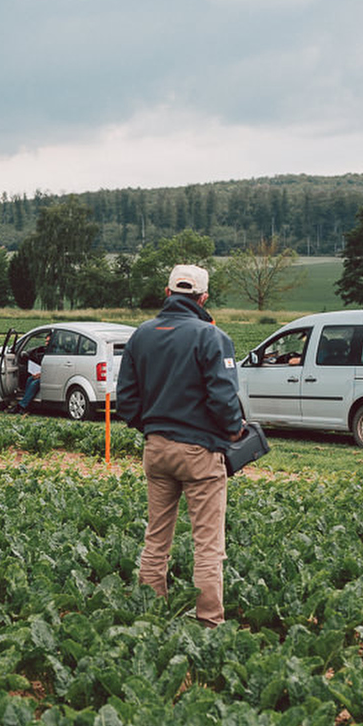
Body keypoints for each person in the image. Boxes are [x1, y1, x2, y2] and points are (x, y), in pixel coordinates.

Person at [114, 263, 247, 628]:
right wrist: (233, 431)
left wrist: (151, 427)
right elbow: (223, 399)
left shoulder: (141, 335)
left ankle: (151, 616)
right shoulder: (211, 337)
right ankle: (209, 623)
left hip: (156, 449)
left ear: (168, 293)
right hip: (200, 452)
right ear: (203, 298)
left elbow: (126, 400)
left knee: (156, 540)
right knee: (208, 546)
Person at [16, 343, 46, 412]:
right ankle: (26, 403)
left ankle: (22, 405)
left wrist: (40, 375)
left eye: (48, 341)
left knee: (34, 383)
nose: (46, 343)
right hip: (42, 373)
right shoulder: (47, 350)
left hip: (48, 376)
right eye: (46, 341)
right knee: (30, 379)